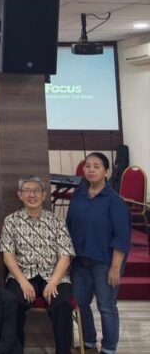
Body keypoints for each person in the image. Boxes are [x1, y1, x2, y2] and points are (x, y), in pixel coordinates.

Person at [0, 175, 76, 354]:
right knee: (13, 302)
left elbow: (65, 255)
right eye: (27, 191)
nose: (32, 195)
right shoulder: (11, 221)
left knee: (62, 304)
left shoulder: (56, 221)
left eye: (36, 191)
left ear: (44, 195)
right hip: (23, 275)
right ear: (20, 195)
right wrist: (23, 282)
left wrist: (53, 282)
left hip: (54, 275)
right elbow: (8, 256)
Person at [66, 152, 131, 354]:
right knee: (81, 303)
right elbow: (69, 226)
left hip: (105, 263)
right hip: (80, 261)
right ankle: (89, 342)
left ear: (106, 172)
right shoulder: (78, 195)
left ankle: (109, 348)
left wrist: (115, 268)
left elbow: (122, 236)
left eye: (96, 166)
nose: (91, 170)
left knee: (106, 307)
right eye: (88, 166)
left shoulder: (114, 201)